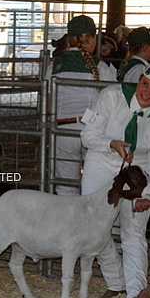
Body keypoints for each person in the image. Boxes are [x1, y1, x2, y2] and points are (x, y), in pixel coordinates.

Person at [81, 61, 150, 298]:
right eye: (145, 84)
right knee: (96, 228)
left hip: (139, 171)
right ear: (140, 80)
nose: (146, 92)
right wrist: (111, 144)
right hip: (102, 161)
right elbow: (88, 136)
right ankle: (116, 281)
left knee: (133, 231)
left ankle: (136, 292)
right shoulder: (112, 95)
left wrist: (147, 194)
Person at [51, 14, 116, 196]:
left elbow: (49, 98)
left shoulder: (55, 65)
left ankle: (68, 223)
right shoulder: (101, 67)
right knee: (94, 185)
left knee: (65, 185)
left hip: (63, 130)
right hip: (92, 131)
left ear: (69, 38)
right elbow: (113, 98)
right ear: (93, 39)